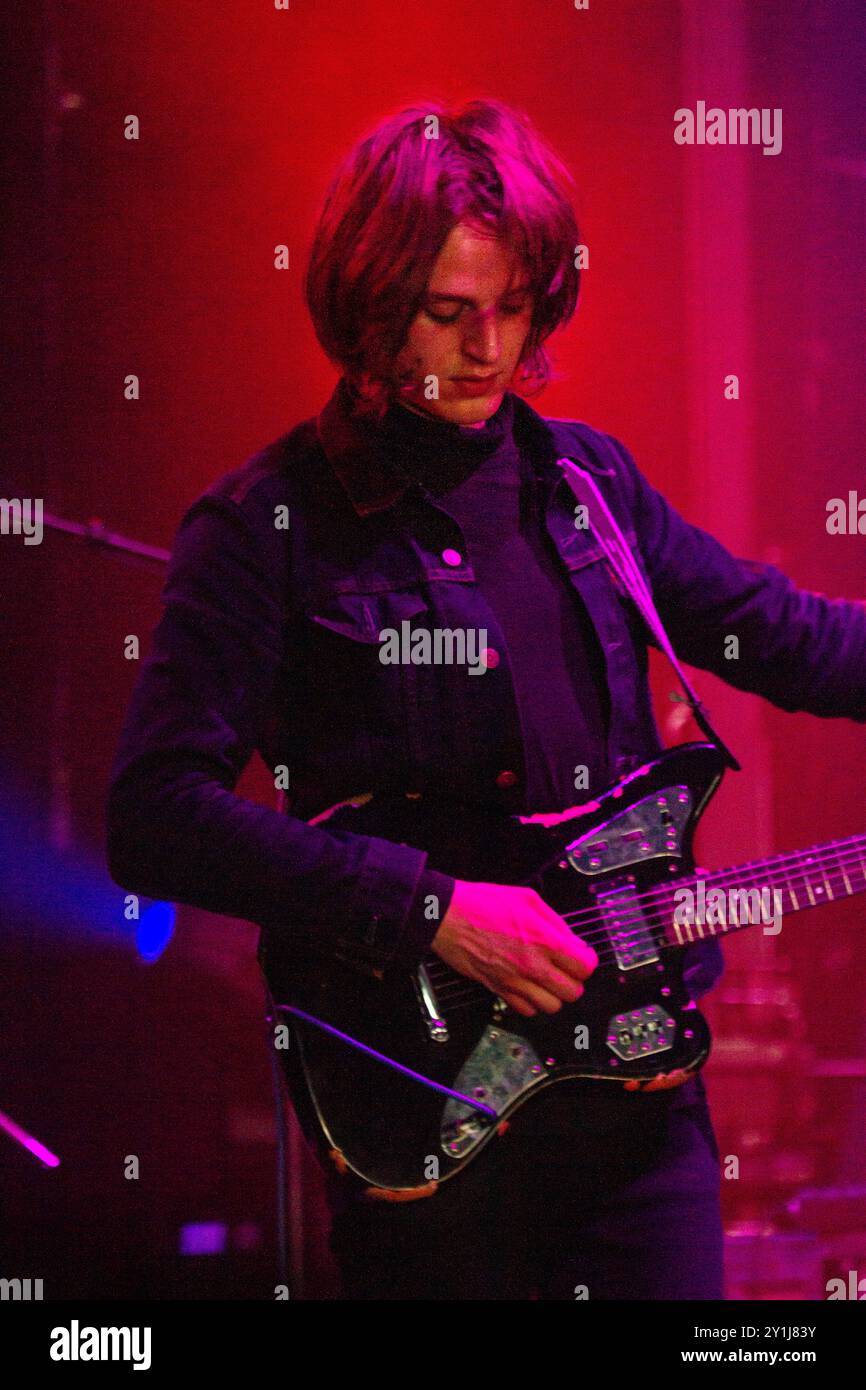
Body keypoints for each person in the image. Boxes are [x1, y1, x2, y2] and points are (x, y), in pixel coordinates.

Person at [107, 99, 866, 1300]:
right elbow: (154, 813)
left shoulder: (588, 484)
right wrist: (431, 910)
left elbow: (790, 638)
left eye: (513, 308)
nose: (488, 349)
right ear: (367, 301)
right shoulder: (264, 528)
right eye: (449, 313)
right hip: (427, 1105)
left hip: (637, 1104)